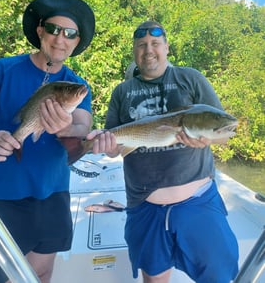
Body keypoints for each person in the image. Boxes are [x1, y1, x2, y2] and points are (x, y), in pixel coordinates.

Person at [88, 20, 239, 283]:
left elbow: (223, 134)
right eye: (141, 45)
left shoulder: (190, 78)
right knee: (154, 278)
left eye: (155, 44)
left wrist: (206, 140)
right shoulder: (122, 91)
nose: (149, 50)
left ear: (167, 47)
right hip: (144, 207)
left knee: (218, 275)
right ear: (134, 51)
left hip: (198, 203)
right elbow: (115, 149)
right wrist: (105, 146)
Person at [0, 0, 95, 283]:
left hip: (51, 194)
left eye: (70, 34)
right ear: (40, 31)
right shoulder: (3, 70)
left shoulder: (76, 85)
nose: (60, 39)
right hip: (2, 196)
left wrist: (66, 126)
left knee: (40, 274)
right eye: (53, 29)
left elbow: (82, 124)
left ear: (77, 42)